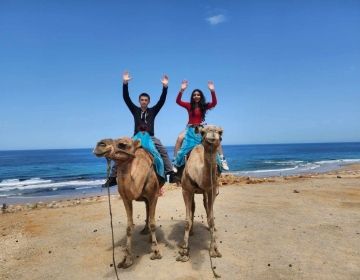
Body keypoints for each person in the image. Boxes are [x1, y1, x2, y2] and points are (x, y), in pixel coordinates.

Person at [103, 71, 176, 188]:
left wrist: (165, 87)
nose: (144, 101)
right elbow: (126, 98)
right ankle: (112, 177)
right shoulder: (135, 110)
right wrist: (125, 83)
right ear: (139, 101)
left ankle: (170, 173)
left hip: (150, 136)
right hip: (136, 137)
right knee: (121, 150)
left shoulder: (153, 111)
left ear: (149, 102)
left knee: (162, 150)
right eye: (142, 100)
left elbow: (162, 101)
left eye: (146, 100)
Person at [173, 80, 229, 171]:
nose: (196, 96)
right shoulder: (189, 105)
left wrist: (212, 91)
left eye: (198, 95)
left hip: (201, 129)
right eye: (194, 95)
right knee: (179, 139)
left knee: (216, 138)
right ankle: (175, 162)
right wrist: (181, 90)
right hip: (190, 129)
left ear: (201, 96)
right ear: (192, 96)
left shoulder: (204, 106)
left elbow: (214, 103)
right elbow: (178, 101)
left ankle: (222, 160)